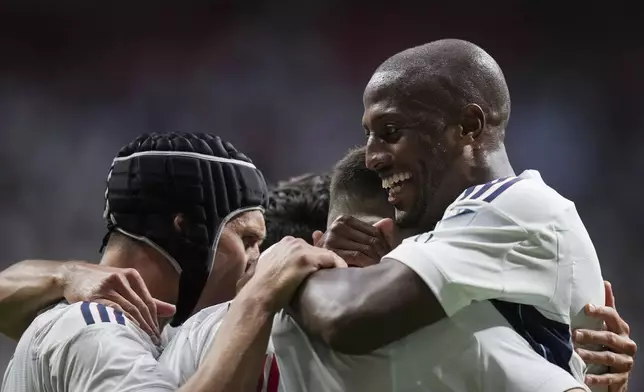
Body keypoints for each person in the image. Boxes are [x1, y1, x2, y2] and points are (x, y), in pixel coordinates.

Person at [273, 39, 633, 392]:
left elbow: (345, 317)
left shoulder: (510, 208)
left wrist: (289, 272)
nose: (372, 157)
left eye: (391, 132)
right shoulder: (469, 226)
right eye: (369, 135)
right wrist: (352, 267)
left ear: (469, 126)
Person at [1, 132, 346, 392]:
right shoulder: (93, 330)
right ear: (186, 230)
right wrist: (259, 299)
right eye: (247, 240)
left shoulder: (149, 330)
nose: (257, 259)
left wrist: (62, 274)